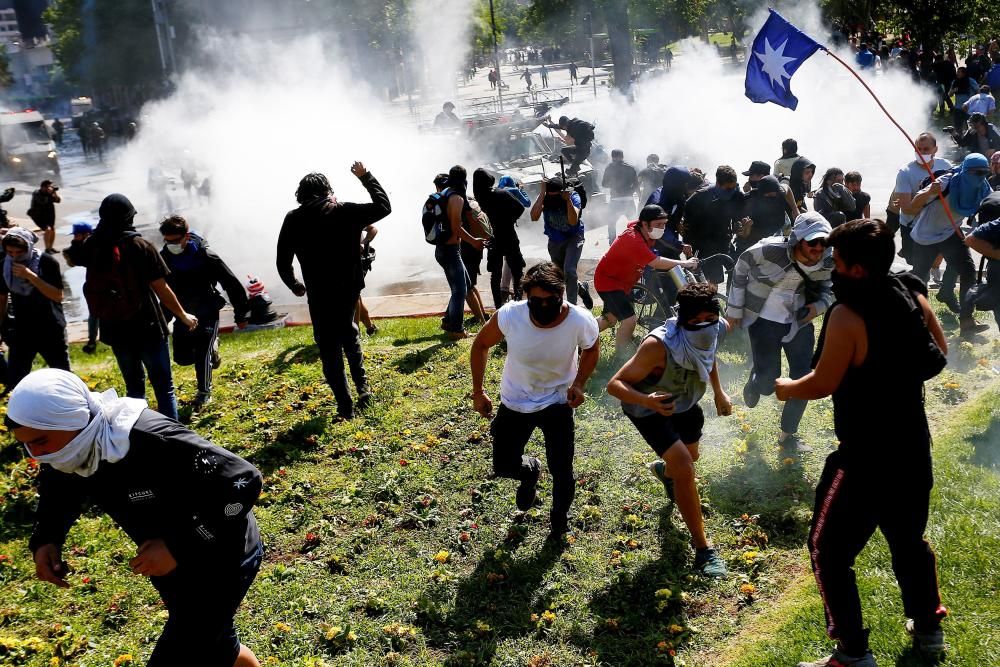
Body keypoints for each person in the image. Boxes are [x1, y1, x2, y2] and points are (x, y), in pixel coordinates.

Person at [777, 220, 948, 667]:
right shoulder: (910, 293)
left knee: (826, 550)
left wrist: (785, 386)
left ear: (854, 268)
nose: (831, 266)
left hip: (865, 458)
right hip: (913, 447)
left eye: (837, 260)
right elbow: (939, 351)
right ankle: (929, 630)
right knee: (908, 540)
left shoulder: (847, 315)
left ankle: (852, 653)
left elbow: (822, 383)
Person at [10, 368, 264, 667]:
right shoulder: (73, 449)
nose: (35, 454)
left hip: (222, 557)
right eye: (26, 444)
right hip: (174, 567)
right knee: (218, 645)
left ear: (74, 419)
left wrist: (176, 545)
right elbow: (61, 486)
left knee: (186, 647)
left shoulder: (149, 438)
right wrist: (47, 538)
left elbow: (245, 483)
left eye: (40, 441)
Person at [607, 283, 732, 578]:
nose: (704, 326)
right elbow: (615, 385)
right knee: (686, 468)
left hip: (686, 402)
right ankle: (703, 550)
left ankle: (666, 472)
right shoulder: (657, 346)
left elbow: (708, 354)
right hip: (649, 409)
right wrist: (645, 399)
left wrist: (719, 392)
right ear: (681, 319)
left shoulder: (719, 327)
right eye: (695, 322)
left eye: (709, 320)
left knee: (689, 458)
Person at [470, 262, 600, 539]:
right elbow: (481, 344)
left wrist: (579, 383)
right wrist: (478, 391)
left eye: (550, 300)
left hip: (557, 402)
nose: (542, 307)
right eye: (535, 301)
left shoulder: (580, 319)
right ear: (525, 297)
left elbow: (591, 347)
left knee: (562, 468)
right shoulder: (510, 315)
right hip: (516, 400)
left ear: (562, 294)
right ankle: (529, 472)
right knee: (503, 464)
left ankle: (559, 522)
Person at [65, 194, 197, 422]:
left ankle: (138, 435)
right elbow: (161, 288)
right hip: (147, 326)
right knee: (164, 388)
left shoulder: (92, 245)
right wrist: (183, 315)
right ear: (128, 217)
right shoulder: (140, 246)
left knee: (134, 389)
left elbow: (71, 258)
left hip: (114, 329)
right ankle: (172, 439)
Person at [277, 163, 390, 419]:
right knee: (349, 333)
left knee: (328, 347)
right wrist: (366, 177)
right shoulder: (344, 211)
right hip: (349, 287)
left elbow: (282, 260)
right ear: (328, 191)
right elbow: (384, 207)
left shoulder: (293, 219)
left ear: (301, 195)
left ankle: (344, 405)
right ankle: (363, 387)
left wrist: (294, 284)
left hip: (319, 292)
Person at [727, 213, 834, 454]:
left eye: (824, 242)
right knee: (768, 385)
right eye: (813, 241)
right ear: (798, 239)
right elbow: (741, 266)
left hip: (799, 323)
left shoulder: (829, 261)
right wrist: (734, 310)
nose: (818, 248)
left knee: (804, 379)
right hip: (763, 321)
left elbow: (831, 288)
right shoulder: (768, 250)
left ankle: (788, 436)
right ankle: (757, 382)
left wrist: (817, 308)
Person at [159, 215, 249, 409]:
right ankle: (213, 349)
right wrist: (162, 319)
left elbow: (231, 284)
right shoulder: (163, 258)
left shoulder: (206, 256)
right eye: (167, 241)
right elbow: (162, 291)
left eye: (175, 240)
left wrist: (241, 314)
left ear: (186, 236)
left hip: (207, 309)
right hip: (182, 312)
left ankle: (204, 391)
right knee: (183, 358)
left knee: (202, 353)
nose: (171, 244)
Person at [905, 152, 992, 337]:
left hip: (951, 233)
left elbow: (992, 204)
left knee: (968, 271)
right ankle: (917, 324)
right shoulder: (946, 182)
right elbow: (914, 203)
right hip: (925, 235)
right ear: (966, 170)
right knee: (920, 279)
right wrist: (930, 192)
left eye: (984, 173)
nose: (980, 177)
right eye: (976, 173)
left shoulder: (984, 187)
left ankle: (967, 321)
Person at [594, 205, 698, 354]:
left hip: (623, 282)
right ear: (644, 223)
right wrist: (684, 263)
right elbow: (655, 261)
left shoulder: (645, 231)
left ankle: (581, 333)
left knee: (610, 319)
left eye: (664, 224)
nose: (662, 228)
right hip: (609, 282)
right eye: (658, 225)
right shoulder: (633, 238)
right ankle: (621, 358)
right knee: (629, 320)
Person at [0, 227, 69, 389]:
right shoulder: (4, 266)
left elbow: (57, 296)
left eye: (19, 252)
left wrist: (30, 276)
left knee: (64, 377)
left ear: (29, 247)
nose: (15, 257)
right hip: (21, 329)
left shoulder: (47, 262)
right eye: (10, 252)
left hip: (50, 327)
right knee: (16, 380)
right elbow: (2, 299)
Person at [434, 167, 487, 339]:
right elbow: (456, 227)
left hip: (448, 250)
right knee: (460, 291)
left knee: (465, 284)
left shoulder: (446, 193)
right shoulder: (456, 197)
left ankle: (449, 322)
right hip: (449, 251)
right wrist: (474, 241)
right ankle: (456, 330)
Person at [888, 132, 952, 263]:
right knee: (913, 260)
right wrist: (927, 193)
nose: (922, 152)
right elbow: (907, 210)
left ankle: (933, 267)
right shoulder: (905, 173)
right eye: (918, 149)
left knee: (936, 260)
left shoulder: (945, 166)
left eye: (926, 149)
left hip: (936, 225)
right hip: (913, 225)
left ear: (935, 149)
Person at [530, 177, 592, 308]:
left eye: (555, 196)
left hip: (573, 238)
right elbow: (534, 217)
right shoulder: (544, 197)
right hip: (554, 240)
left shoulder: (573, 196)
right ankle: (581, 288)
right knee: (560, 275)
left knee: (569, 270)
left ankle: (571, 307)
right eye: (549, 195)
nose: (552, 199)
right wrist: (542, 193)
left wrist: (567, 200)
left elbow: (573, 221)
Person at [681, 165, 744, 286]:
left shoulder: (737, 196)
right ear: (717, 184)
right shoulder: (699, 198)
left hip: (722, 242)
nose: (731, 192)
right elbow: (687, 226)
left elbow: (738, 218)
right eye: (727, 189)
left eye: (733, 188)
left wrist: (739, 225)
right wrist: (687, 246)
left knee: (720, 277)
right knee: (701, 281)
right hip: (700, 244)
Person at [473, 168, 526, 309]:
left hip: (492, 239)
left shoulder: (479, 199)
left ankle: (498, 307)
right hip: (508, 234)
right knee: (517, 270)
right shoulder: (501, 194)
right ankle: (518, 302)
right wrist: (510, 219)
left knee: (495, 275)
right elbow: (520, 208)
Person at [63, 222, 99, 353]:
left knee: (96, 314)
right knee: (94, 313)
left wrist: (74, 247)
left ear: (86, 234)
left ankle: (92, 342)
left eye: (77, 235)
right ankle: (92, 341)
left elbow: (79, 259)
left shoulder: (93, 245)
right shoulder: (85, 244)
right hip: (93, 283)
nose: (74, 238)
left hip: (100, 284)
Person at [601, 149, 639, 244]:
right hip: (629, 200)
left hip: (615, 200)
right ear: (622, 156)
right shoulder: (631, 168)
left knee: (611, 223)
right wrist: (630, 191)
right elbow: (636, 185)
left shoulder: (610, 168)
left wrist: (614, 186)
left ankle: (612, 244)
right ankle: (635, 242)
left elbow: (604, 184)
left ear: (612, 157)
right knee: (633, 224)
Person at [27, 179, 61, 254]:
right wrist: (49, 193)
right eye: (48, 187)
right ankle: (47, 249)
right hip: (38, 215)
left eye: (50, 186)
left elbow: (58, 200)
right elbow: (42, 202)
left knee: (52, 229)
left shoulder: (50, 193)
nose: (49, 188)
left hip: (49, 214)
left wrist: (54, 193)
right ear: (43, 187)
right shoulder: (36, 193)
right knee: (47, 229)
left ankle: (50, 247)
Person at [357, 224, 378, 336]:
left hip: (357, 261)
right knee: (356, 297)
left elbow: (372, 229)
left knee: (353, 296)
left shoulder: (348, 213)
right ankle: (370, 328)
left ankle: (355, 333)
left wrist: (365, 242)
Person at [948, 67, 979, 133]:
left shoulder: (970, 81)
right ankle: (959, 139)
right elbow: (950, 94)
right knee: (958, 127)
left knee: (971, 126)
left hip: (969, 108)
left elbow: (978, 91)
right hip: (958, 108)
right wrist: (953, 90)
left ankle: (971, 140)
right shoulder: (955, 82)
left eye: (959, 72)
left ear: (964, 73)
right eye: (957, 72)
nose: (957, 73)